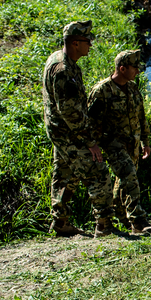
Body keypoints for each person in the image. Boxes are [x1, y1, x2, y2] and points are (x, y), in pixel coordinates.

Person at [41, 20, 116, 238]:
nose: (90, 45)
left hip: (60, 131)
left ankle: (60, 223)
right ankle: (104, 226)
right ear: (75, 43)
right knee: (98, 171)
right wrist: (90, 142)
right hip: (69, 133)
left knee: (64, 175)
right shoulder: (64, 70)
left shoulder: (59, 59)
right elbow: (70, 113)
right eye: (87, 40)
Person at [87, 49, 151, 234]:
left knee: (124, 183)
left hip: (132, 145)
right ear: (122, 68)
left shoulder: (133, 88)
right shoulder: (101, 91)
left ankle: (122, 219)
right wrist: (92, 145)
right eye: (135, 68)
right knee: (130, 176)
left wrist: (145, 141)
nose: (138, 71)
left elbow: (141, 117)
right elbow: (91, 122)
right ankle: (138, 221)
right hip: (112, 145)